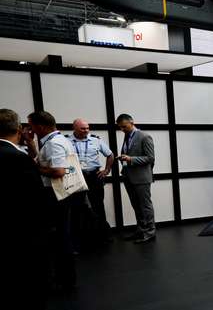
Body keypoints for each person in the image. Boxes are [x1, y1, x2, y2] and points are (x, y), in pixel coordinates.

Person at [1, 109, 69, 310]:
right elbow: (34, 202)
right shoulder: (17, 159)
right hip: (26, 240)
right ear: (19, 129)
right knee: (30, 300)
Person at [27, 110, 77, 291]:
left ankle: (65, 279)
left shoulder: (54, 143)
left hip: (55, 195)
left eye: (31, 125)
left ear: (40, 126)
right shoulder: (59, 140)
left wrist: (36, 168)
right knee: (61, 234)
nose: (29, 129)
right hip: (62, 193)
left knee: (60, 236)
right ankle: (65, 277)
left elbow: (58, 171)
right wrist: (31, 145)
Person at [68, 118, 114, 248]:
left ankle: (104, 237)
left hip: (94, 176)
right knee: (76, 207)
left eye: (87, 128)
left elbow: (110, 155)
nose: (86, 130)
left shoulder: (96, 140)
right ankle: (77, 240)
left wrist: (106, 170)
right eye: (83, 128)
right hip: (76, 176)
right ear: (75, 128)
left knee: (98, 206)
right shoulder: (66, 141)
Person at [116, 114, 156, 244]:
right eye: (120, 127)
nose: (122, 129)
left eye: (124, 126)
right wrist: (124, 158)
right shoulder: (127, 136)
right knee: (136, 206)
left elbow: (150, 158)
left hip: (141, 178)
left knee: (145, 206)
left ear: (132, 122)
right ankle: (141, 230)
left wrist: (130, 159)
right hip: (128, 176)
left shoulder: (144, 136)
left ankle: (150, 232)